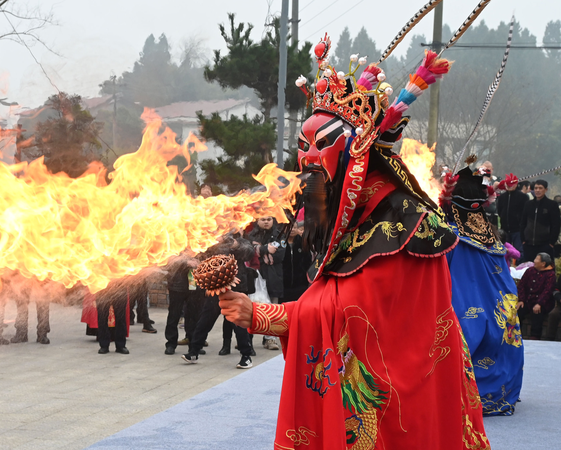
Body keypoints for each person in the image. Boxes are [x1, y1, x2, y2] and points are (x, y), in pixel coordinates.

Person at [217, 34, 488, 448]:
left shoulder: (401, 220)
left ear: (357, 150)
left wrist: (263, 315)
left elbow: (352, 309)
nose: (307, 160)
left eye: (322, 143)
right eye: (303, 146)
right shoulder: (356, 216)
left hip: (405, 401)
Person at [444, 166, 524, 416]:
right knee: (502, 332)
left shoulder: (449, 239)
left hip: (464, 311)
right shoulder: (495, 241)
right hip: (500, 310)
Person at [183, 233, 255, 369]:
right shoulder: (211, 242)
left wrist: (234, 244)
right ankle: (193, 352)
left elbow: (248, 254)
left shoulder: (240, 242)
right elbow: (200, 254)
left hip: (235, 289)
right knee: (205, 321)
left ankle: (246, 356)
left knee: (238, 323)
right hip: (215, 288)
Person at [247, 216, 284, 351]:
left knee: (273, 309)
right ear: (257, 221)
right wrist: (265, 250)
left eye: (269, 219)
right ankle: (247, 340)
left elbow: (280, 254)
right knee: (252, 309)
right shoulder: (251, 235)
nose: (266, 221)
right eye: (263, 219)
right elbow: (249, 253)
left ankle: (270, 339)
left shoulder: (280, 235)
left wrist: (259, 251)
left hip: (274, 275)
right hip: (255, 276)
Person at [163, 255, 201, 355]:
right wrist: (186, 263)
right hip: (177, 285)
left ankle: (194, 344)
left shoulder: (199, 241)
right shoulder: (173, 241)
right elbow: (169, 261)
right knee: (174, 315)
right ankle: (171, 344)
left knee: (193, 316)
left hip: (194, 285)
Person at [517, 253, 556, 340]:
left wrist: (539, 303)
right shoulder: (530, 271)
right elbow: (521, 286)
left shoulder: (550, 274)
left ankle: (535, 337)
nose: (534, 261)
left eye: (537, 259)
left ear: (543, 263)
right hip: (527, 300)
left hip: (542, 302)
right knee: (519, 310)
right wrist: (521, 299)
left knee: (537, 312)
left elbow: (547, 291)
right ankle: (515, 334)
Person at [520, 180, 561, 264]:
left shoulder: (552, 205)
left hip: (545, 244)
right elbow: (523, 222)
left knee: (546, 269)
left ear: (546, 189)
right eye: (536, 188)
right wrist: (523, 239)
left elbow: (556, 225)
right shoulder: (528, 204)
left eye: (540, 188)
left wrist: (551, 242)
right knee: (529, 268)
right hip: (529, 244)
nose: (538, 190)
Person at [10, 279, 51, 345]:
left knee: (43, 302)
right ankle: (21, 333)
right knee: (21, 302)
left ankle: (43, 334)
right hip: (23, 274)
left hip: (41, 273)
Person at [95, 278, 130, 354]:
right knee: (102, 317)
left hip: (120, 285)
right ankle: (104, 345)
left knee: (121, 317)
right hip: (102, 286)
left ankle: (120, 345)